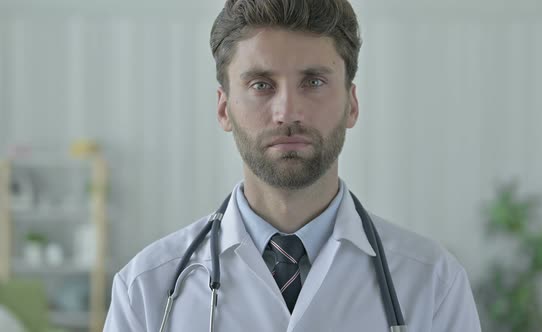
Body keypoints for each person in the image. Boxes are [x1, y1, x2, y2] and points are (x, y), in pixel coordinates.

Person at [104, 0, 482, 331]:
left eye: (313, 81)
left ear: (351, 104)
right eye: (261, 85)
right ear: (224, 109)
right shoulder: (146, 288)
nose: (288, 111)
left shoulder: (432, 282)